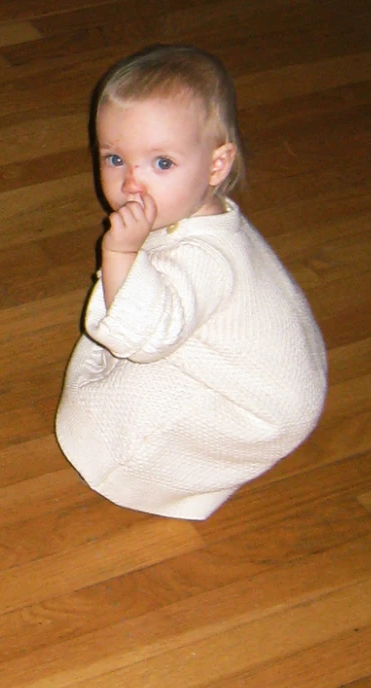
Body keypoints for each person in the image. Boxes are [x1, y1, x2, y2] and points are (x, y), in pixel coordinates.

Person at [55, 44, 327, 521]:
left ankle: (139, 473)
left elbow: (145, 338)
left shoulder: (203, 260)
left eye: (161, 163)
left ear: (217, 165)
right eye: (115, 158)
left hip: (248, 409)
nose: (132, 182)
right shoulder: (204, 213)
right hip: (279, 380)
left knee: (116, 414)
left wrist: (120, 253)